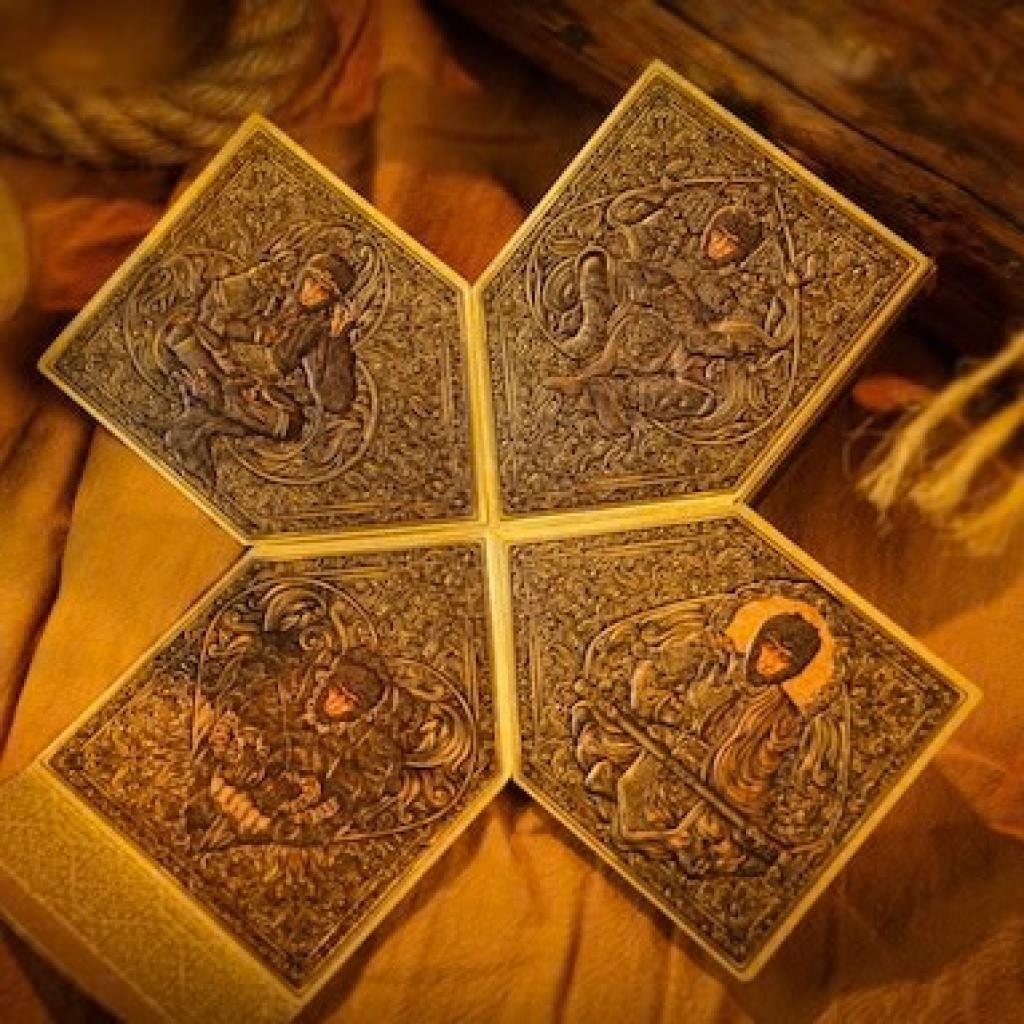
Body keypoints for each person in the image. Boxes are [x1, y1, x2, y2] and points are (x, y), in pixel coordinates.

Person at [573, 604, 842, 877]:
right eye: (769, 647)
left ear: (793, 669)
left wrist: (725, 771)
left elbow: (760, 775)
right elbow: (654, 683)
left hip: (712, 788)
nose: (769, 662)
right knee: (626, 785)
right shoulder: (717, 660)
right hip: (664, 748)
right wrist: (672, 716)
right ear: (758, 641)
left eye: (783, 658)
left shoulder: (783, 715)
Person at [161, 250, 359, 486]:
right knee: (181, 336)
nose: (313, 293)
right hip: (220, 360)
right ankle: (212, 397)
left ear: (331, 300)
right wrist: (250, 332)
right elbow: (212, 309)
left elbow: (336, 401)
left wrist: (338, 341)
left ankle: (217, 400)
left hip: (260, 391)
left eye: (324, 291)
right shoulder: (270, 286)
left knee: (287, 422)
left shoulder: (319, 329)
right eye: (312, 281)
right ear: (303, 275)